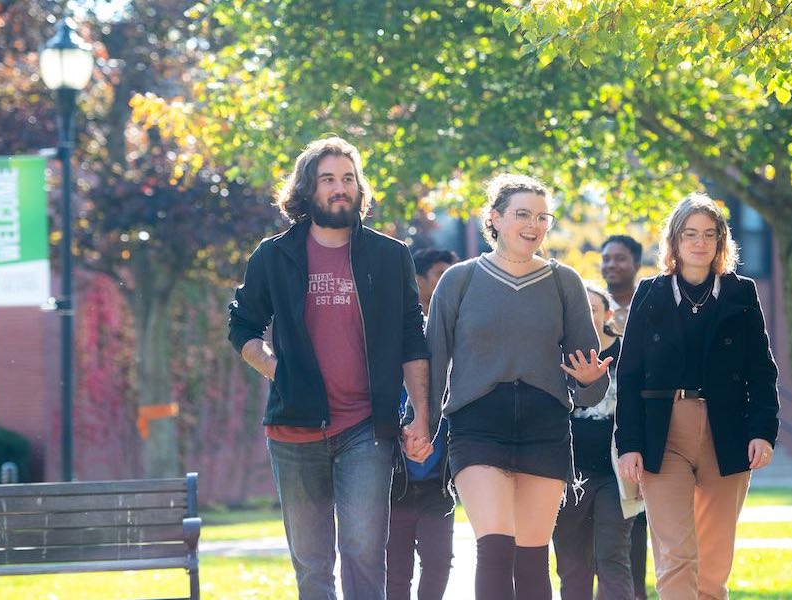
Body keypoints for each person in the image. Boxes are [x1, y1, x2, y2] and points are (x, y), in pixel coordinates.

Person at [228, 136, 433, 600]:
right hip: (293, 431)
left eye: (348, 179)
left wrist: (421, 413)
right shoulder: (274, 255)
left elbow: (410, 337)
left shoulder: (389, 254)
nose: (340, 188)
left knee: (363, 551)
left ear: (360, 189)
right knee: (312, 562)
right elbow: (242, 325)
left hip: (367, 427)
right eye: (328, 180)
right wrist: (278, 371)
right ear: (308, 189)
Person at [426, 173, 610, 600]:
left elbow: (588, 381)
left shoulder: (565, 283)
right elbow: (434, 362)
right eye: (523, 214)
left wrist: (587, 383)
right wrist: (424, 423)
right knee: (494, 548)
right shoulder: (459, 280)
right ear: (495, 218)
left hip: (544, 427)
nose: (534, 224)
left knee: (531, 559)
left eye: (543, 216)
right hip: (477, 425)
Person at [615, 193, 780, 600]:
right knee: (676, 553)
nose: (699, 243)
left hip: (728, 431)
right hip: (663, 432)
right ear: (674, 241)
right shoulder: (650, 293)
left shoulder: (741, 293)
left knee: (714, 560)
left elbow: (762, 371)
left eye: (709, 234)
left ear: (721, 242)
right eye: (690, 234)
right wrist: (629, 443)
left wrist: (762, 432)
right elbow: (630, 374)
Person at [552, 283, 638, 599]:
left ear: (607, 314)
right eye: (579, 308)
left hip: (616, 474)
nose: (586, 315)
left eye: (593, 308)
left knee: (612, 558)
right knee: (572, 565)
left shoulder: (628, 353)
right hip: (569, 476)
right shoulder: (557, 356)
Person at [387, 248, 459, 600]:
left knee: (439, 563)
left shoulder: (460, 337)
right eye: (441, 275)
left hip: (436, 483)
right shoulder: (392, 336)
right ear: (418, 282)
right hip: (392, 484)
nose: (451, 284)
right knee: (395, 573)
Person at [600, 234, 650, 600]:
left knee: (637, 522)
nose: (611, 265)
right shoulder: (590, 307)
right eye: (606, 259)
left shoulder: (648, 306)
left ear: (635, 263)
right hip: (597, 431)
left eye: (619, 259)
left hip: (640, 429)